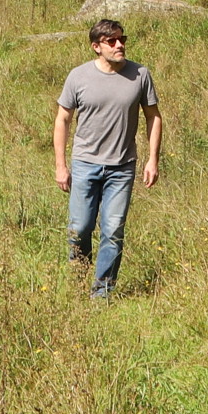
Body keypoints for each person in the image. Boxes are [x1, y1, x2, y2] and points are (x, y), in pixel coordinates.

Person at [53, 16, 161, 298]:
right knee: (80, 228)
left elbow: (153, 117)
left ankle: (101, 294)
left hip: (122, 168)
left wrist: (152, 159)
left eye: (122, 39)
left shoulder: (140, 75)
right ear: (96, 46)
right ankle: (78, 280)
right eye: (111, 41)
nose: (119, 45)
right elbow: (62, 120)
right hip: (85, 164)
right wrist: (61, 165)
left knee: (113, 231)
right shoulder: (78, 76)